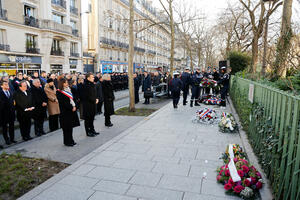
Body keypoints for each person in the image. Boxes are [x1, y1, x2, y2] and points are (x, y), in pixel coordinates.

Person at [56, 78, 79, 147]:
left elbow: (72, 99)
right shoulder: (59, 92)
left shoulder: (68, 89)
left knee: (70, 127)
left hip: (71, 111)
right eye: (66, 83)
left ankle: (71, 140)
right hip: (65, 112)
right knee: (66, 128)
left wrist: (75, 106)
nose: (67, 84)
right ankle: (67, 141)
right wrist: (71, 107)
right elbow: (64, 103)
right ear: (62, 83)